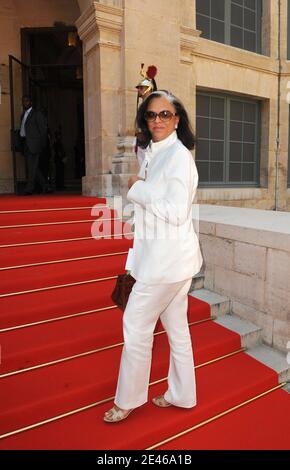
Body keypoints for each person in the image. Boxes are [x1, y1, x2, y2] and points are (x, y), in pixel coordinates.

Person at [104, 90, 203, 423]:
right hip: (169, 260)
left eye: (165, 114)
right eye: (151, 114)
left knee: (135, 325)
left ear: (177, 119)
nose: (158, 120)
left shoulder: (177, 157)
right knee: (177, 330)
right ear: (145, 119)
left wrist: (136, 187)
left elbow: (175, 212)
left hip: (165, 265)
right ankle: (183, 394)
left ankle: (128, 400)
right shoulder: (153, 152)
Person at [20, 95, 48, 195]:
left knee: (32, 167)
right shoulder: (23, 114)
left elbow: (43, 130)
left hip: (35, 144)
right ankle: (45, 186)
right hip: (26, 143)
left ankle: (29, 189)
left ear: (31, 102)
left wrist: (42, 145)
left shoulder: (37, 114)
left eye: (27, 101)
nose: (24, 103)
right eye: (23, 101)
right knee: (32, 167)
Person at [135, 64, 158, 167]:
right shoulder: (143, 103)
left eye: (141, 87)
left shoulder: (152, 104)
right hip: (141, 139)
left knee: (149, 168)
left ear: (148, 88)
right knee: (143, 168)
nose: (138, 90)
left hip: (149, 140)